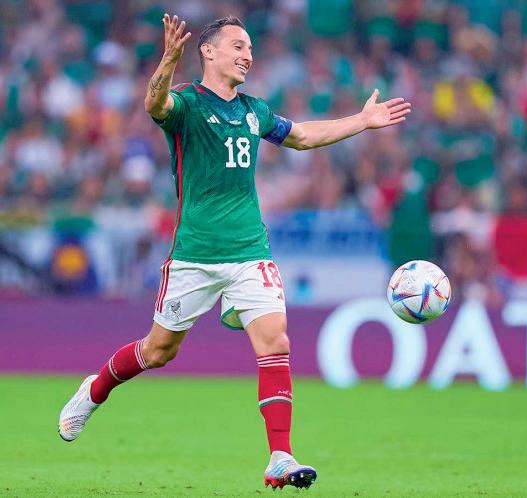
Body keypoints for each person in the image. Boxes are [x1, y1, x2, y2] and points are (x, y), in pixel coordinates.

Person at [58, 14, 411, 490]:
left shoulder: (254, 110)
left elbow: (303, 136)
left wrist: (363, 121)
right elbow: (154, 103)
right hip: (195, 254)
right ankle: (95, 389)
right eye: (238, 46)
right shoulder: (187, 103)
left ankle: (280, 457)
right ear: (208, 51)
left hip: (249, 250)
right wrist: (167, 60)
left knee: (276, 342)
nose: (248, 55)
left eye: (250, 48)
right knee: (158, 351)